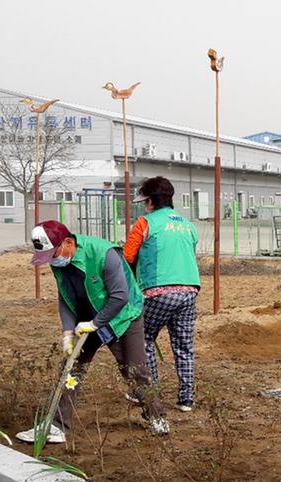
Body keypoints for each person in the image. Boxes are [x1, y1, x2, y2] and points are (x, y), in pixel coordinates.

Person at [21, 220, 167, 443]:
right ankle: (56, 425)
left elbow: (120, 296)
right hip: (86, 318)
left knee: (134, 370)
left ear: (68, 242)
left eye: (53, 253)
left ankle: (157, 417)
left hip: (123, 315)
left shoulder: (103, 253)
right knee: (71, 368)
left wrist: (96, 323)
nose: (52, 260)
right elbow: (65, 297)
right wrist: (68, 332)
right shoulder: (59, 261)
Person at [123, 176, 201, 412]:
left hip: (158, 290)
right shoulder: (188, 225)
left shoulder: (145, 223)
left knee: (143, 339)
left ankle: (150, 393)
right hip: (189, 290)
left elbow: (126, 257)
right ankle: (186, 398)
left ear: (149, 201)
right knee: (184, 344)